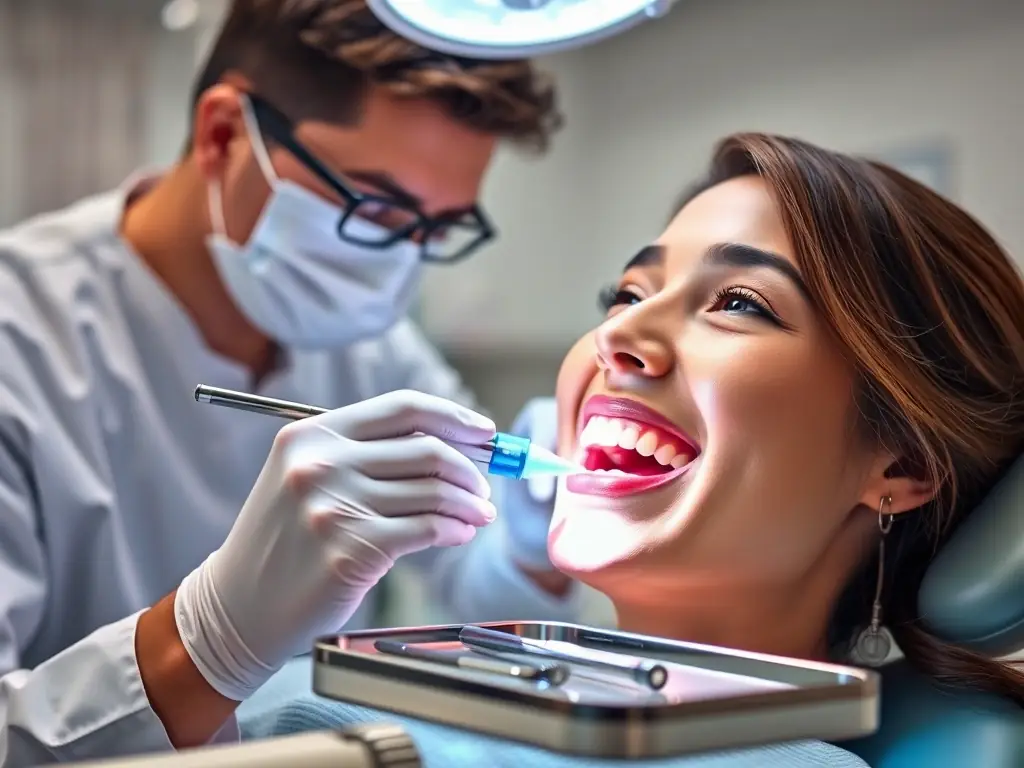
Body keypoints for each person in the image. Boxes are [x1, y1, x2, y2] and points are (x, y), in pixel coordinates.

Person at [238, 133, 1023, 766]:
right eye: (629, 294)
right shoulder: (398, 694)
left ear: (903, 467)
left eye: (740, 304)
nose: (617, 335)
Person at [0, 1, 579, 764]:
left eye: (436, 230)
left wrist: (526, 548)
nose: (399, 267)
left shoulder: (373, 344)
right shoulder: (20, 336)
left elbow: (475, 592)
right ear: (222, 135)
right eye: (376, 209)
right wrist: (204, 643)